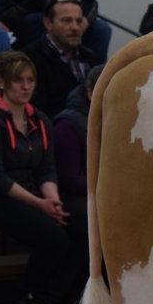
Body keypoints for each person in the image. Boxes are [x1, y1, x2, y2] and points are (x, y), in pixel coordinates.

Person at [0, 51, 86, 304]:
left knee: (84, 231)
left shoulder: (40, 119)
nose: (26, 86)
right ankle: (32, 295)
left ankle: (54, 296)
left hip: (33, 195)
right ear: (1, 82)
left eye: (30, 80)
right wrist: (39, 204)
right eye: (18, 80)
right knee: (53, 237)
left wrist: (53, 200)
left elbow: (46, 168)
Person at [20, 0, 95, 120]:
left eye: (79, 21)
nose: (75, 28)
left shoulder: (89, 57)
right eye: (67, 20)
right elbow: (36, 111)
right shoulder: (30, 59)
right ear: (48, 23)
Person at [50, 63, 103, 218]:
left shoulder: (119, 122)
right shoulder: (68, 126)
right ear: (90, 93)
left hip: (103, 193)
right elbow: (69, 179)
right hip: (76, 199)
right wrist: (111, 185)